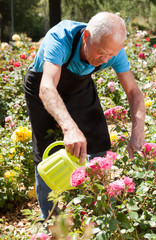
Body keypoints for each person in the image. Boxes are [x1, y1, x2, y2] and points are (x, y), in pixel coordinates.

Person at [23, 12, 146, 221]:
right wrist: (69, 128)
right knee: (46, 151)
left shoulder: (112, 50)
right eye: (102, 53)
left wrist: (138, 131)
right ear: (86, 36)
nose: (106, 60)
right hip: (44, 86)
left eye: (111, 55)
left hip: (79, 86)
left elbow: (134, 92)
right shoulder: (60, 38)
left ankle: (98, 209)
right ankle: (51, 220)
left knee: (97, 139)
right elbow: (47, 87)